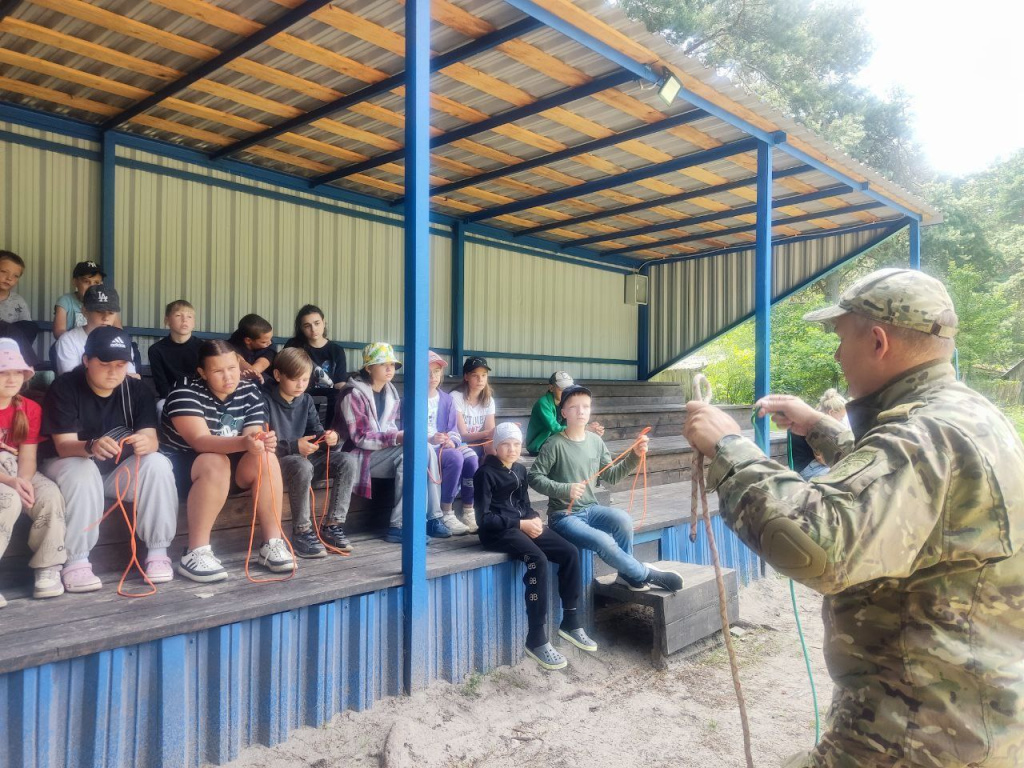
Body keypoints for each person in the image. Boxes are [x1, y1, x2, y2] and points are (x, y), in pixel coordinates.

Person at [682, 267, 1024, 768]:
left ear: (879, 341)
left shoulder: (920, 435)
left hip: (913, 737)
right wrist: (823, 429)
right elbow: (907, 496)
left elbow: (820, 546)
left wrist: (730, 449)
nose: (838, 355)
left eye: (842, 339)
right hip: (962, 717)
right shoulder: (966, 415)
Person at [41, 327, 177, 593]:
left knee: (158, 463)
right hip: (67, 469)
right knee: (82, 467)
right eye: (104, 364)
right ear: (86, 361)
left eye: (120, 364)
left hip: (116, 475)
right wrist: (91, 446)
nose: (114, 372)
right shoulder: (65, 386)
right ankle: (76, 560)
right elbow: (64, 446)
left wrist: (145, 442)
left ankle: (158, 553)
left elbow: (152, 439)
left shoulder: (136, 389)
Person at [528, 385, 682, 593]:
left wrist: (634, 455)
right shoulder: (554, 444)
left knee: (623, 520)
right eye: (574, 407)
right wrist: (565, 489)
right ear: (563, 413)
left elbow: (611, 476)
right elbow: (534, 477)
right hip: (563, 516)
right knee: (603, 540)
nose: (581, 411)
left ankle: (626, 575)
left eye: (585, 406)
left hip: (591, 509)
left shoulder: (595, 441)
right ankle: (645, 575)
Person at [161, 339, 293, 582]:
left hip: (229, 467)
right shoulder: (184, 391)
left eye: (232, 368)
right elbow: (200, 441)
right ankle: (195, 552)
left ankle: (272, 544)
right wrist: (245, 443)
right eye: (218, 371)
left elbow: (252, 435)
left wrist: (260, 441)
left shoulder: (249, 390)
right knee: (215, 460)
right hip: (183, 471)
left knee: (265, 455)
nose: (228, 377)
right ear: (202, 372)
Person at [476, 421, 596, 670]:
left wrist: (533, 519)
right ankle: (536, 636)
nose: (512, 449)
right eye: (506, 444)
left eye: (517, 444)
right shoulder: (484, 474)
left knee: (569, 552)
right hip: (498, 533)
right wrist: (520, 524)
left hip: (522, 525)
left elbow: (525, 503)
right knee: (537, 559)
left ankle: (570, 620)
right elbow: (484, 520)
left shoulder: (520, 470)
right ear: (495, 447)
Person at [333, 342, 450, 544]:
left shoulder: (390, 392)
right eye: (383, 364)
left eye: (392, 365)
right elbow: (360, 438)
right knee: (413, 453)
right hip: (354, 456)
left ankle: (432, 517)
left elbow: (389, 428)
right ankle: (401, 525)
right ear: (369, 368)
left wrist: (401, 436)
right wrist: (397, 437)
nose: (390, 369)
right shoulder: (353, 393)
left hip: (379, 453)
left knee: (423, 449)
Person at [264, 348, 357, 556]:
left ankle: (332, 526)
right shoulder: (264, 401)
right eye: (295, 379)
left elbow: (315, 434)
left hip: (303, 457)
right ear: (278, 375)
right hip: (277, 461)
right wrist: (296, 446)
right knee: (301, 464)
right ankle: (301, 532)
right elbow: (264, 443)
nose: (300, 385)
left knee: (347, 460)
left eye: (305, 379)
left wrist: (329, 438)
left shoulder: (305, 400)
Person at [0, 338, 66, 606]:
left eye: (17, 372)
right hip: (3, 476)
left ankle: (48, 567)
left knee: (49, 495)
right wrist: (10, 483)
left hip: (18, 469)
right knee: (8, 499)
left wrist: (23, 482)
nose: (11, 378)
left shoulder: (29, 409)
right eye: (3, 372)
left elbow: (28, 457)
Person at [426, 350, 474, 535]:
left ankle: (469, 511)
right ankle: (446, 510)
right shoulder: (412, 398)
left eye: (437, 372)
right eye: (428, 372)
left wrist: (451, 441)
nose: (433, 377)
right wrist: (429, 438)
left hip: (444, 445)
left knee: (470, 458)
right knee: (455, 458)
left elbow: (453, 429)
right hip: (426, 446)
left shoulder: (446, 399)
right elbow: (405, 429)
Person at [53, 285, 138, 376]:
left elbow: (132, 378)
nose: (106, 318)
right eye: (99, 311)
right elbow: (71, 381)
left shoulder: (122, 341)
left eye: (111, 313)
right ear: (85, 311)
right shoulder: (68, 341)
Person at [283, 304, 348, 418]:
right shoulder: (293, 345)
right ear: (301, 328)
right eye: (307, 326)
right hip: (299, 399)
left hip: (328, 403)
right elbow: (285, 375)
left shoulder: (337, 350)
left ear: (324, 322)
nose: (313, 329)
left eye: (317, 323)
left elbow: (340, 384)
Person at [525, 371, 604, 456]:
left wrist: (592, 430)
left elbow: (573, 422)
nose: (566, 391)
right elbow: (555, 428)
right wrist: (586, 429)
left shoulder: (565, 403)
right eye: (562, 388)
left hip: (556, 444)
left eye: (568, 388)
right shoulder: (543, 403)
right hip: (538, 447)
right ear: (551, 388)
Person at [148, 300, 203, 400]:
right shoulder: (156, 350)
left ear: (194, 322)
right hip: (170, 398)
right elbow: (162, 386)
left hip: (201, 398)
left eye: (189, 316)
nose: (184, 320)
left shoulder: (204, 348)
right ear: (167, 320)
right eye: (178, 315)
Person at [52, 261, 104, 338]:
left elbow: (118, 331)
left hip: (97, 347)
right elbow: (58, 331)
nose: (91, 287)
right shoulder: (65, 301)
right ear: (75, 282)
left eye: (96, 282)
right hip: (70, 347)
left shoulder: (105, 302)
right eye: (86, 281)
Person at [228, 313, 276, 383]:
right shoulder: (232, 344)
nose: (270, 343)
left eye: (271, 339)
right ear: (248, 340)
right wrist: (253, 374)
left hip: (265, 380)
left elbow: (262, 364)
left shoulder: (269, 345)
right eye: (264, 342)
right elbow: (239, 361)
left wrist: (254, 374)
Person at [0, 250, 31, 323]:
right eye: (4, 271)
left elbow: (27, 326)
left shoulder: (18, 301)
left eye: (16, 276)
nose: (9, 278)